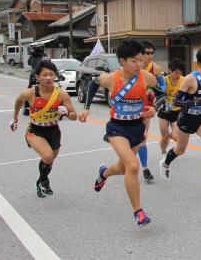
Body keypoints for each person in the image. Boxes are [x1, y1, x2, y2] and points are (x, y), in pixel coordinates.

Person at [79, 39, 160, 226]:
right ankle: (138, 212)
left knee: (123, 168)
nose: (139, 64)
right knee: (132, 166)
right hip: (117, 129)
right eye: (134, 61)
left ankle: (104, 173)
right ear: (122, 61)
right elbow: (92, 83)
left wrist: (154, 107)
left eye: (141, 60)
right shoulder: (110, 79)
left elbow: (161, 91)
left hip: (137, 128)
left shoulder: (146, 77)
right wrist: (86, 108)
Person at [10, 59, 77, 197]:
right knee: (47, 156)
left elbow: (74, 116)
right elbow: (18, 101)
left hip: (53, 130)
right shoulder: (30, 93)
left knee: (51, 159)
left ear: (55, 75)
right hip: (35, 130)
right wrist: (15, 118)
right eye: (45, 75)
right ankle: (44, 181)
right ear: (37, 77)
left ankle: (41, 181)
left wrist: (67, 113)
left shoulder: (61, 94)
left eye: (51, 74)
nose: (48, 78)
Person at [159, 48, 201, 192]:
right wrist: (194, 103)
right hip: (186, 118)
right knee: (180, 150)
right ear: (200, 63)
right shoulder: (190, 79)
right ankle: (166, 163)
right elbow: (176, 101)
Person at [138, 40, 166, 183]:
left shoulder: (155, 68)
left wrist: (155, 95)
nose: (150, 55)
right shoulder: (131, 68)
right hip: (130, 107)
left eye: (151, 53)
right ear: (140, 54)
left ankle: (145, 168)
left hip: (147, 107)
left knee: (143, 136)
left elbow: (163, 86)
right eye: (147, 53)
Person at [158, 58, 185, 156]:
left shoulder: (184, 80)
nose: (178, 75)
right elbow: (157, 95)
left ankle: (169, 137)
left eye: (180, 72)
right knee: (164, 137)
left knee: (175, 136)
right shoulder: (164, 81)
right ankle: (163, 151)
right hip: (165, 111)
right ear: (170, 71)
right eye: (176, 73)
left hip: (177, 112)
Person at [22, 46, 46, 116]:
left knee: (29, 89)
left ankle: (26, 105)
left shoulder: (32, 56)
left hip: (34, 74)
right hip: (43, 74)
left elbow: (29, 63)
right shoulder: (43, 57)